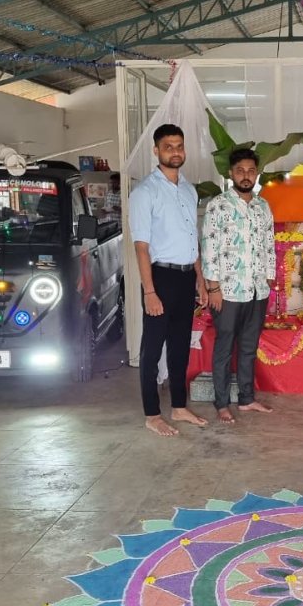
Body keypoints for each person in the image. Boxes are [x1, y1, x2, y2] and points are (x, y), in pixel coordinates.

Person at [128, 124, 209, 437]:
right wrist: (149, 291)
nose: (175, 152)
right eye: (168, 147)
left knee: (179, 346)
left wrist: (200, 279)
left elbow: (193, 241)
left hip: (187, 276)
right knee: (151, 348)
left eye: (179, 146)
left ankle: (178, 406)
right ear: (156, 151)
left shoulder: (189, 190)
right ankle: (152, 413)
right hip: (159, 277)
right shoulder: (145, 192)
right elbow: (141, 246)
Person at [201, 148, 276, 424]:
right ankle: (221, 404)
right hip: (229, 291)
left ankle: (246, 399)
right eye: (240, 171)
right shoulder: (218, 206)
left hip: (257, 290)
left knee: (248, 347)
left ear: (256, 174)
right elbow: (209, 248)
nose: (246, 176)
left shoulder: (262, 206)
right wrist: (213, 288)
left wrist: (269, 275)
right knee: (224, 347)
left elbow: (269, 244)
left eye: (251, 171)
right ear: (231, 173)